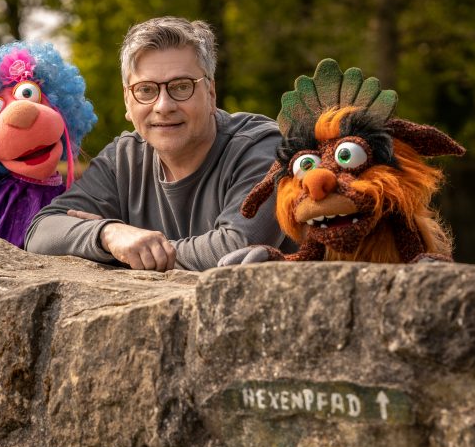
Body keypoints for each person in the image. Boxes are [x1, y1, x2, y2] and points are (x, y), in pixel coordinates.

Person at [25, 16, 286, 271]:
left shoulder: (264, 147)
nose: (163, 106)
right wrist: (110, 234)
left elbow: (235, 250)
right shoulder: (122, 160)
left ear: (211, 92)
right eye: (146, 90)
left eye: (182, 87)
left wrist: (133, 254)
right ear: (128, 101)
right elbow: (41, 232)